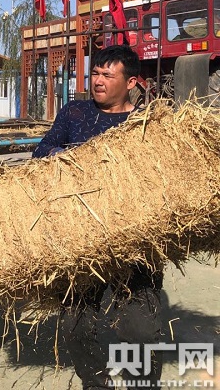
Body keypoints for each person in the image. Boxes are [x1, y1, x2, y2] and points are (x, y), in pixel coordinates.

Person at [32, 44, 163, 390]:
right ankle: (96, 382)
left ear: (131, 82)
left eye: (108, 74)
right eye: (95, 73)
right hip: (80, 239)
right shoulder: (74, 112)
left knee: (140, 330)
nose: (98, 80)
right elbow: (41, 150)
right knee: (75, 326)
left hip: (134, 240)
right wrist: (62, 156)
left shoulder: (145, 122)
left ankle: (141, 382)